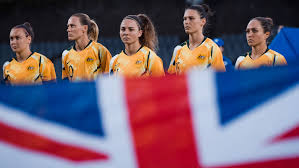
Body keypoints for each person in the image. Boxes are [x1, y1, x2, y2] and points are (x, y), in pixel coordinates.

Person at [168, 4, 226, 75]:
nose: (186, 22)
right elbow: (171, 79)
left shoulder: (212, 49)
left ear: (203, 21)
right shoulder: (178, 50)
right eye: (185, 19)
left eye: (191, 18)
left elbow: (221, 79)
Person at [62, 13, 112, 81]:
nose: (68, 30)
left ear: (84, 28)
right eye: (68, 26)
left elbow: (110, 78)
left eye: (72, 26)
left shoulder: (100, 50)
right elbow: (65, 83)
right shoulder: (66, 54)